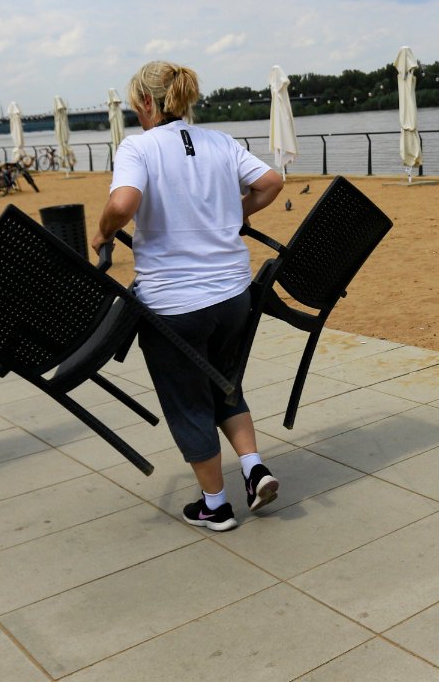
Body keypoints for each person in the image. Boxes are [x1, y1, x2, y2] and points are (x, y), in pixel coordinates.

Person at [91, 60, 285, 532]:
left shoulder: (138, 146)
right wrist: (232, 213)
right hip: (234, 296)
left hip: (174, 306)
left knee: (188, 401)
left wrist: (102, 232)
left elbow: (122, 203)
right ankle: (253, 466)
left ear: (145, 101)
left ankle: (215, 505)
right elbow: (271, 183)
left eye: (136, 105)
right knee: (224, 381)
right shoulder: (220, 141)